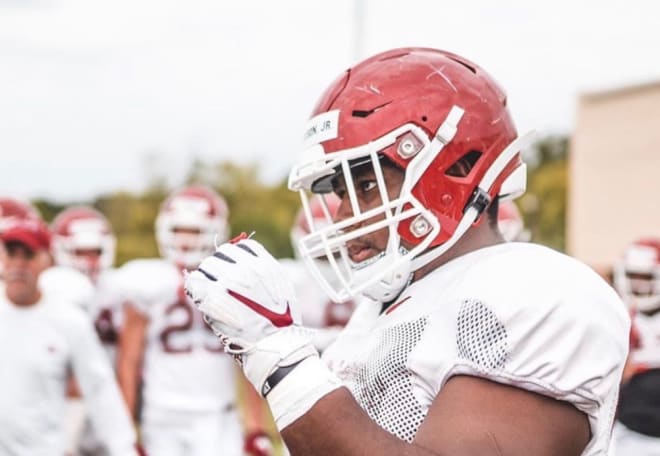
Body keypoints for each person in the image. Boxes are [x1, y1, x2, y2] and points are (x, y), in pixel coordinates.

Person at [185, 47, 630, 455]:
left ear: (457, 168)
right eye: (340, 193)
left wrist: (282, 358)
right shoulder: (389, 301)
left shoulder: (538, 290)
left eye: (365, 185)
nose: (341, 217)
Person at [116, 185, 271, 456]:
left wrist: (255, 426)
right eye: (178, 231)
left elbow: (248, 358)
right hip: (162, 415)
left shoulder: (232, 281)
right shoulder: (145, 281)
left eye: (195, 231)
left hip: (217, 413)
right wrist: (126, 432)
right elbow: (128, 361)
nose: (185, 240)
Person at [0, 218, 138, 455]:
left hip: (44, 448)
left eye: (28, 255)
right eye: (12, 254)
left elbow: (99, 388)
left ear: (47, 260)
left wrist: (124, 446)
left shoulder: (68, 319)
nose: (18, 265)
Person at [50, 205, 127, 455]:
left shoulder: (120, 287)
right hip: (63, 404)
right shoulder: (52, 287)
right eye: (79, 251)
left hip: (109, 397)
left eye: (94, 251)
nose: (88, 260)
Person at [281, 194, 356, 352]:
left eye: (335, 250)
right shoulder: (289, 281)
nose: (329, 257)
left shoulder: (373, 278)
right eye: (321, 251)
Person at [611, 237, 660, 455]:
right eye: (633, 276)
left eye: (645, 277)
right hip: (628, 432)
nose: (639, 284)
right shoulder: (617, 318)